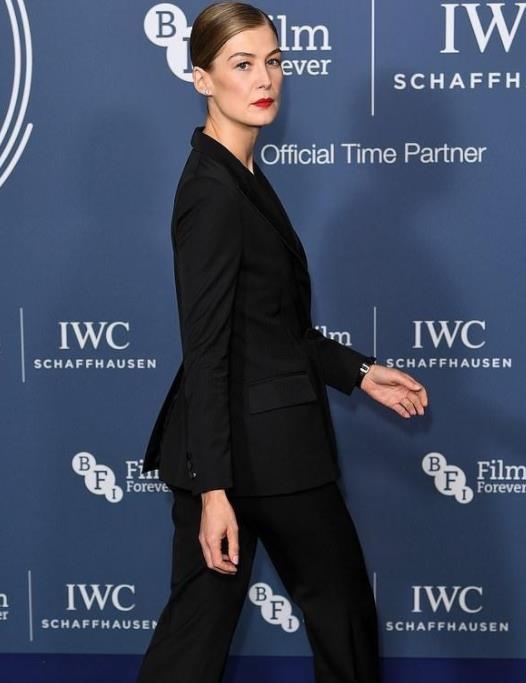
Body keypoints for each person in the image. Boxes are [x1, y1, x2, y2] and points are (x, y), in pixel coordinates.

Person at [136, 3, 428, 682]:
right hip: (261, 456)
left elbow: (270, 327)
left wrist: (360, 372)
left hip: (247, 445)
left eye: (272, 61)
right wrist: (215, 490)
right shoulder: (212, 193)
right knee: (341, 622)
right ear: (202, 79)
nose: (264, 78)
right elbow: (206, 347)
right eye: (242, 64)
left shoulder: (238, 175)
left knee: (195, 643)